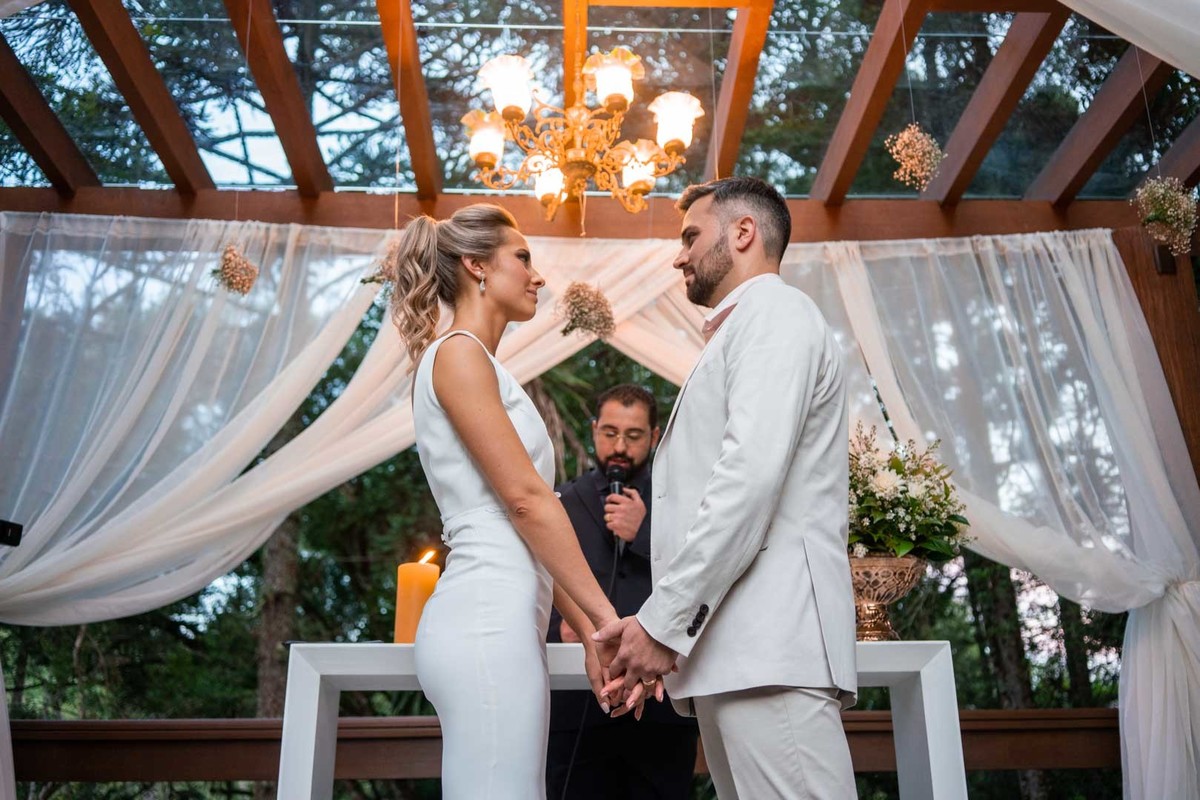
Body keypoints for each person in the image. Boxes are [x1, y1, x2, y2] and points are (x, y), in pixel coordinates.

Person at [593, 177, 858, 799]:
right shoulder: (742, 331)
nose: (679, 255)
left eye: (690, 236)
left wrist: (663, 624)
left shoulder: (776, 315)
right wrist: (661, 624)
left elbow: (748, 480)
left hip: (769, 646)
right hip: (732, 652)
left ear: (743, 232)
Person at [389, 204, 659, 799]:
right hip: (484, 619)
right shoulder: (457, 353)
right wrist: (612, 622)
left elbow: (528, 528)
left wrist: (590, 631)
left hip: (509, 622)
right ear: (475, 265)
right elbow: (528, 502)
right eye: (523, 258)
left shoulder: (481, 364)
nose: (538, 276)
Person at [546, 384, 700, 800]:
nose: (619, 445)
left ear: (653, 438)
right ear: (594, 429)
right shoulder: (561, 502)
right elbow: (540, 576)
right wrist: (559, 623)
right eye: (609, 432)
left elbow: (703, 570)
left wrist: (644, 532)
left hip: (661, 709)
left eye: (633, 436)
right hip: (577, 704)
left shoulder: (684, 503)